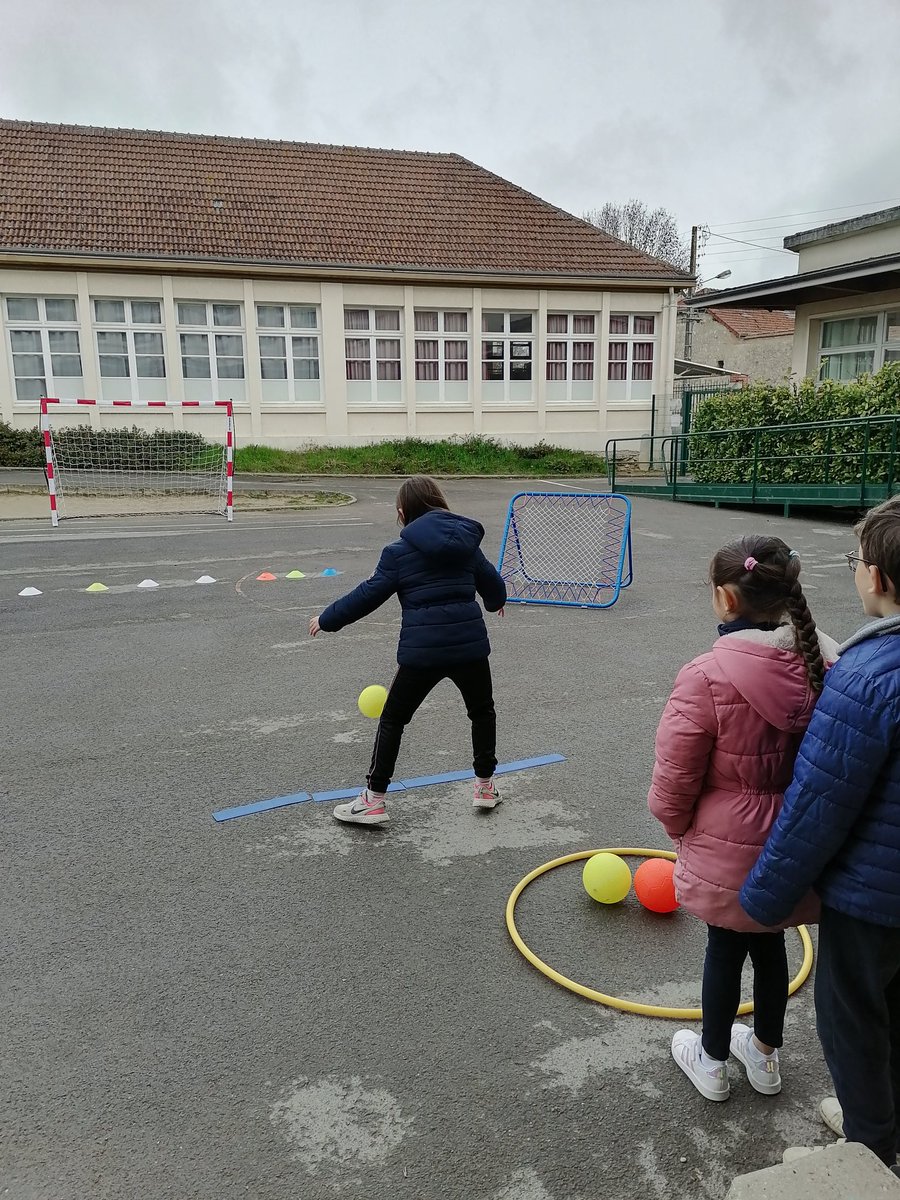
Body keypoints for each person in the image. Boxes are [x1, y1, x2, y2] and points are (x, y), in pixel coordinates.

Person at [648, 535, 837, 1102]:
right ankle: (765, 1055)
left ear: (726, 599)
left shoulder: (705, 675)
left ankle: (711, 1060)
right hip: (796, 839)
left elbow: (674, 778)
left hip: (726, 842)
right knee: (773, 944)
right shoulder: (826, 661)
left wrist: (678, 829)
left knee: (724, 949)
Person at [741, 498, 900, 1170]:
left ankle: (870, 1151)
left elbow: (818, 807)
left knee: (856, 1023)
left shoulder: (868, 678)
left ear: (879, 578)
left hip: (876, 904)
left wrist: (764, 902)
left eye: (857, 561)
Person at [309, 475, 507, 827]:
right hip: (469, 647)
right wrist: (494, 603)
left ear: (403, 512)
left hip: (423, 652)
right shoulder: (467, 545)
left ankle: (374, 800)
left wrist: (328, 619)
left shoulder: (398, 553)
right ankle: (485, 787)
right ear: (438, 501)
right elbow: (493, 586)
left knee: (393, 719)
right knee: (482, 712)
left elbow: (367, 595)